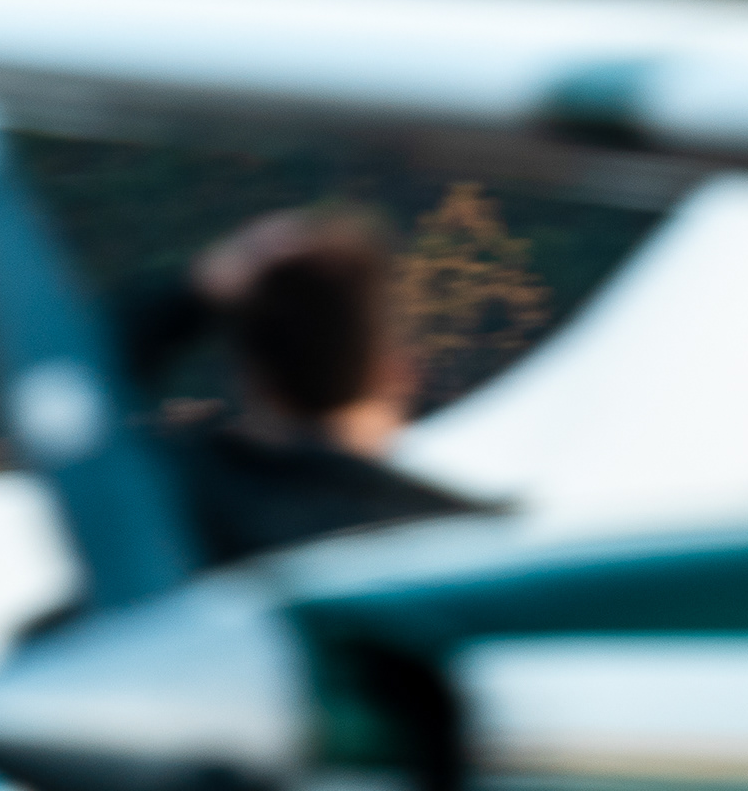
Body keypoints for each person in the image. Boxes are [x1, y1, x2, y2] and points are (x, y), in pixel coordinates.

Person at [112, 206, 483, 567]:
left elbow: (90, 384)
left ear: (247, 373)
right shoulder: (464, 540)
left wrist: (193, 292)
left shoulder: (169, 502)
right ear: (396, 371)